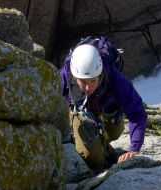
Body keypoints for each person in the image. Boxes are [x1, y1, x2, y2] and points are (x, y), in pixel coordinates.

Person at [59, 39, 147, 170]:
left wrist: (134, 148)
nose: (88, 87)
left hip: (107, 106)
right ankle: (98, 149)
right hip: (81, 111)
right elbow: (49, 101)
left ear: (100, 75)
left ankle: (104, 143)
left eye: (92, 81)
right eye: (83, 82)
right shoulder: (65, 75)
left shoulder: (114, 78)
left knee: (115, 132)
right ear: (74, 75)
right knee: (93, 159)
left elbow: (137, 113)